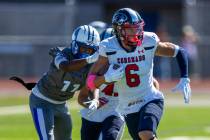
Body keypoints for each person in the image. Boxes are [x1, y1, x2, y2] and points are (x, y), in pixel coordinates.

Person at [86, 8, 191, 140]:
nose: (136, 32)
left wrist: (184, 77)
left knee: (145, 133)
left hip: (150, 99)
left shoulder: (149, 41)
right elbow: (90, 81)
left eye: (138, 28)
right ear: (118, 29)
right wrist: (106, 78)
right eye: (130, 28)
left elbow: (178, 51)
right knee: (144, 137)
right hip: (127, 107)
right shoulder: (108, 47)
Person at [11, 25, 100, 140]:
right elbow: (66, 67)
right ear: (75, 45)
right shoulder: (61, 53)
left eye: (90, 50)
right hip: (41, 101)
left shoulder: (91, 65)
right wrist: (89, 59)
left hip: (61, 104)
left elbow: (92, 84)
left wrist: (94, 99)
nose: (87, 53)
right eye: (84, 48)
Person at [78, 27, 125, 140]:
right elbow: (82, 97)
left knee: (110, 137)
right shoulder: (94, 66)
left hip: (116, 111)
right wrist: (92, 104)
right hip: (93, 115)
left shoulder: (129, 61)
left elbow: (153, 83)